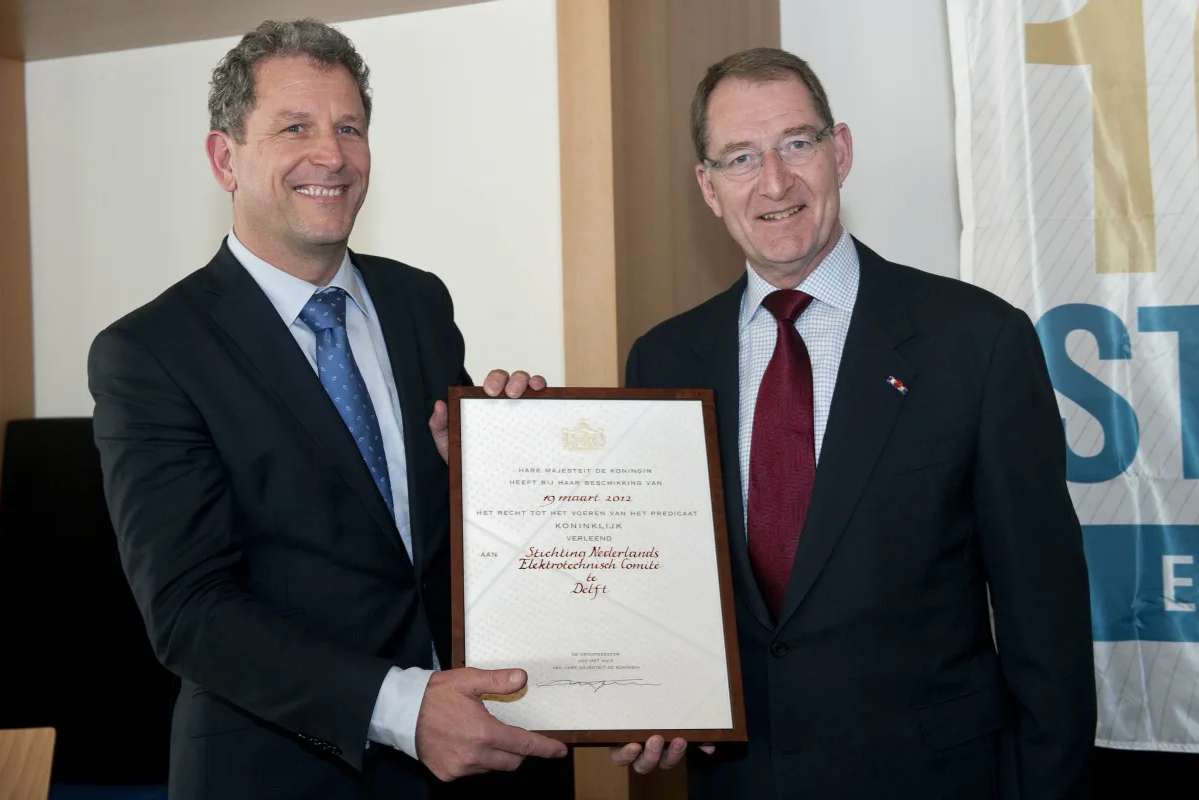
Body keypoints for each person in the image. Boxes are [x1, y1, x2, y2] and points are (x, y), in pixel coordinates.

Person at [88, 19, 569, 800]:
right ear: (225, 159)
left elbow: (437, 548)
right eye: (295, 128)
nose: (332, 155)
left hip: (474, 767)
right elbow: (189, 612)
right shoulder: (151, 353)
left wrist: (505, 466)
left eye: (349, 127)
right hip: (283, 773)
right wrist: (404, 709)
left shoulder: (418, 301)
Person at [612, 47, 1096, 798]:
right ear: (708, 187)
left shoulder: (978, 341)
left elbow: (1046, 621)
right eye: (741, 158)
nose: (775, 182)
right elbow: (653, 580)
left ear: (839, 151)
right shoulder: (663, 360)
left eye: (796, 143)